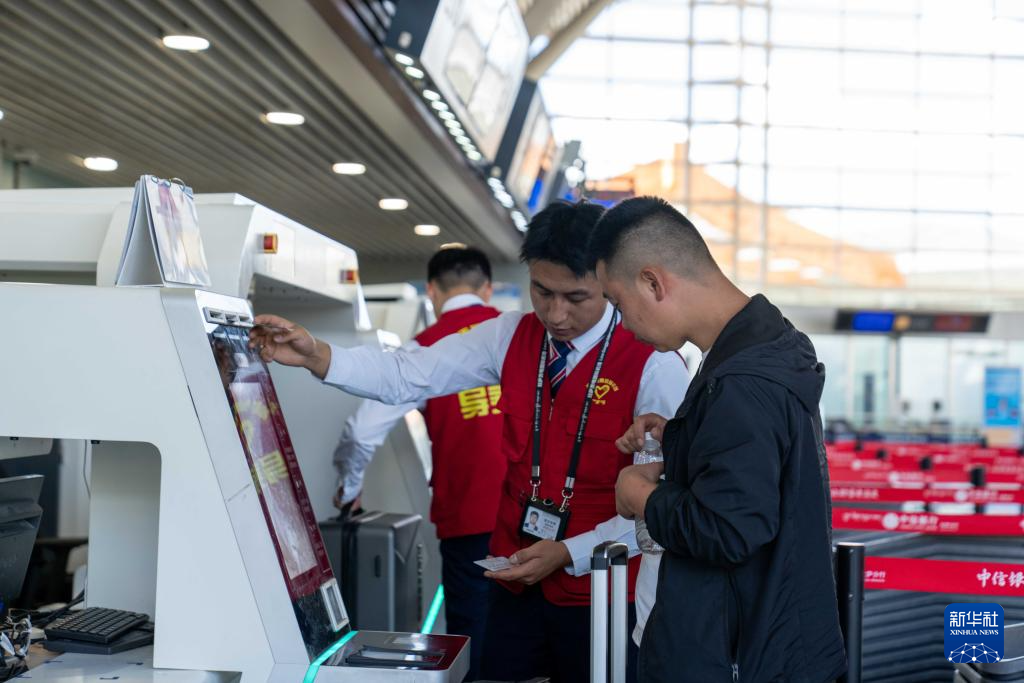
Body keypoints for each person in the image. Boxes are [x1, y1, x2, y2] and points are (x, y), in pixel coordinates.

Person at [250, 200, 689, 682]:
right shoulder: (509, 336)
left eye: (576, 297)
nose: (556, 313)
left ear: (607, 280)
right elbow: (407, 374)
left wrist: (570, 551)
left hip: (604, 589)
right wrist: (318, 355)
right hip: (514, 577)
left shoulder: (652, 362)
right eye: (542, 291)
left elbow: (659, 507)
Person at [587, 196, 846, 683]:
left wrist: (640, 495)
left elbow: (728, 530)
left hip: (741, 656)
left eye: (618, 304)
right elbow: (761, 473)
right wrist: (681, 441)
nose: (623, 323)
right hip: (774, 641)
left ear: (653, 282)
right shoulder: (766, 343)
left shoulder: (740, 382)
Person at [331, 245, 505, 681]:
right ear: (487, 288)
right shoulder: (520, 338)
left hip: (468, 520)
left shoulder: (425, 349)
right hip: (540, 519)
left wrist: (349, 489)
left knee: (474, 637)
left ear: (431, 291)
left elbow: (362, 430)